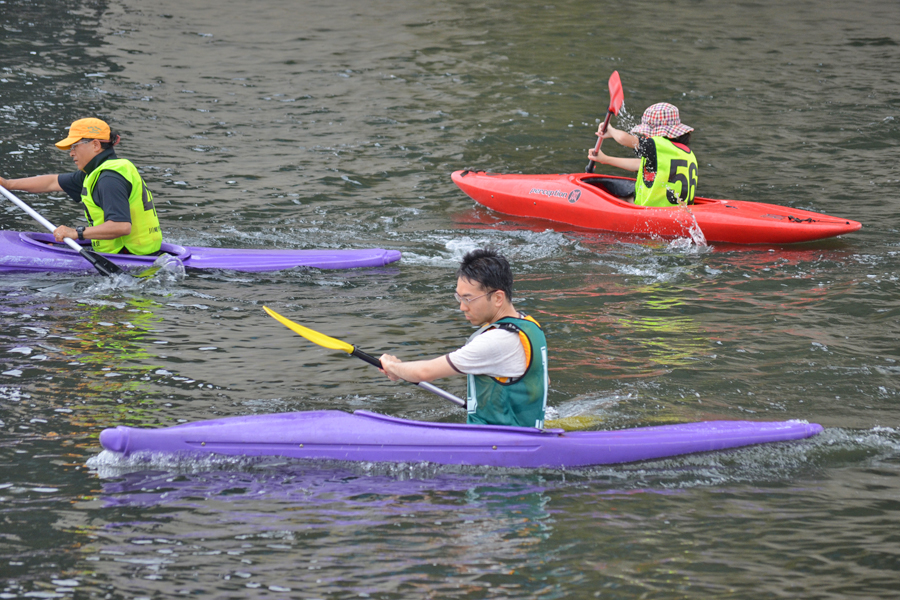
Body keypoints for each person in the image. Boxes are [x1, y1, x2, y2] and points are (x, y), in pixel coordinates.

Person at [380, 248, 549, 429]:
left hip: (496, 443)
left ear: (498, 297)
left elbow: (425, 373)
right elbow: (543, 380)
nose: (462, 307)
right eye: (459, 298)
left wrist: (392, 366)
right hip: (525, 432)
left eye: (468, 299)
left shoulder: (496, 341)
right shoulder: (528, 325)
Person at [0, 117, 162, 255]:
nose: (71, 153)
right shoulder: (98, 171)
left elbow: (121, 226)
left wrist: (76, 233)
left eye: (74, 146)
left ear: (95, 145)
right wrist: (7, 184)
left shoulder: (109, 178)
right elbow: (52, 182)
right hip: (138, 251)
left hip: (129, 256)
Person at [588, 102, 698, 207]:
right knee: (625, 198)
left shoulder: (655, 145)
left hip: (654, 213)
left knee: (616, 201)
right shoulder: (685, 152)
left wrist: (611, 130)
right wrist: (605, 159)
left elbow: (623, 138)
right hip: (678, 211)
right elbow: (640, 164)